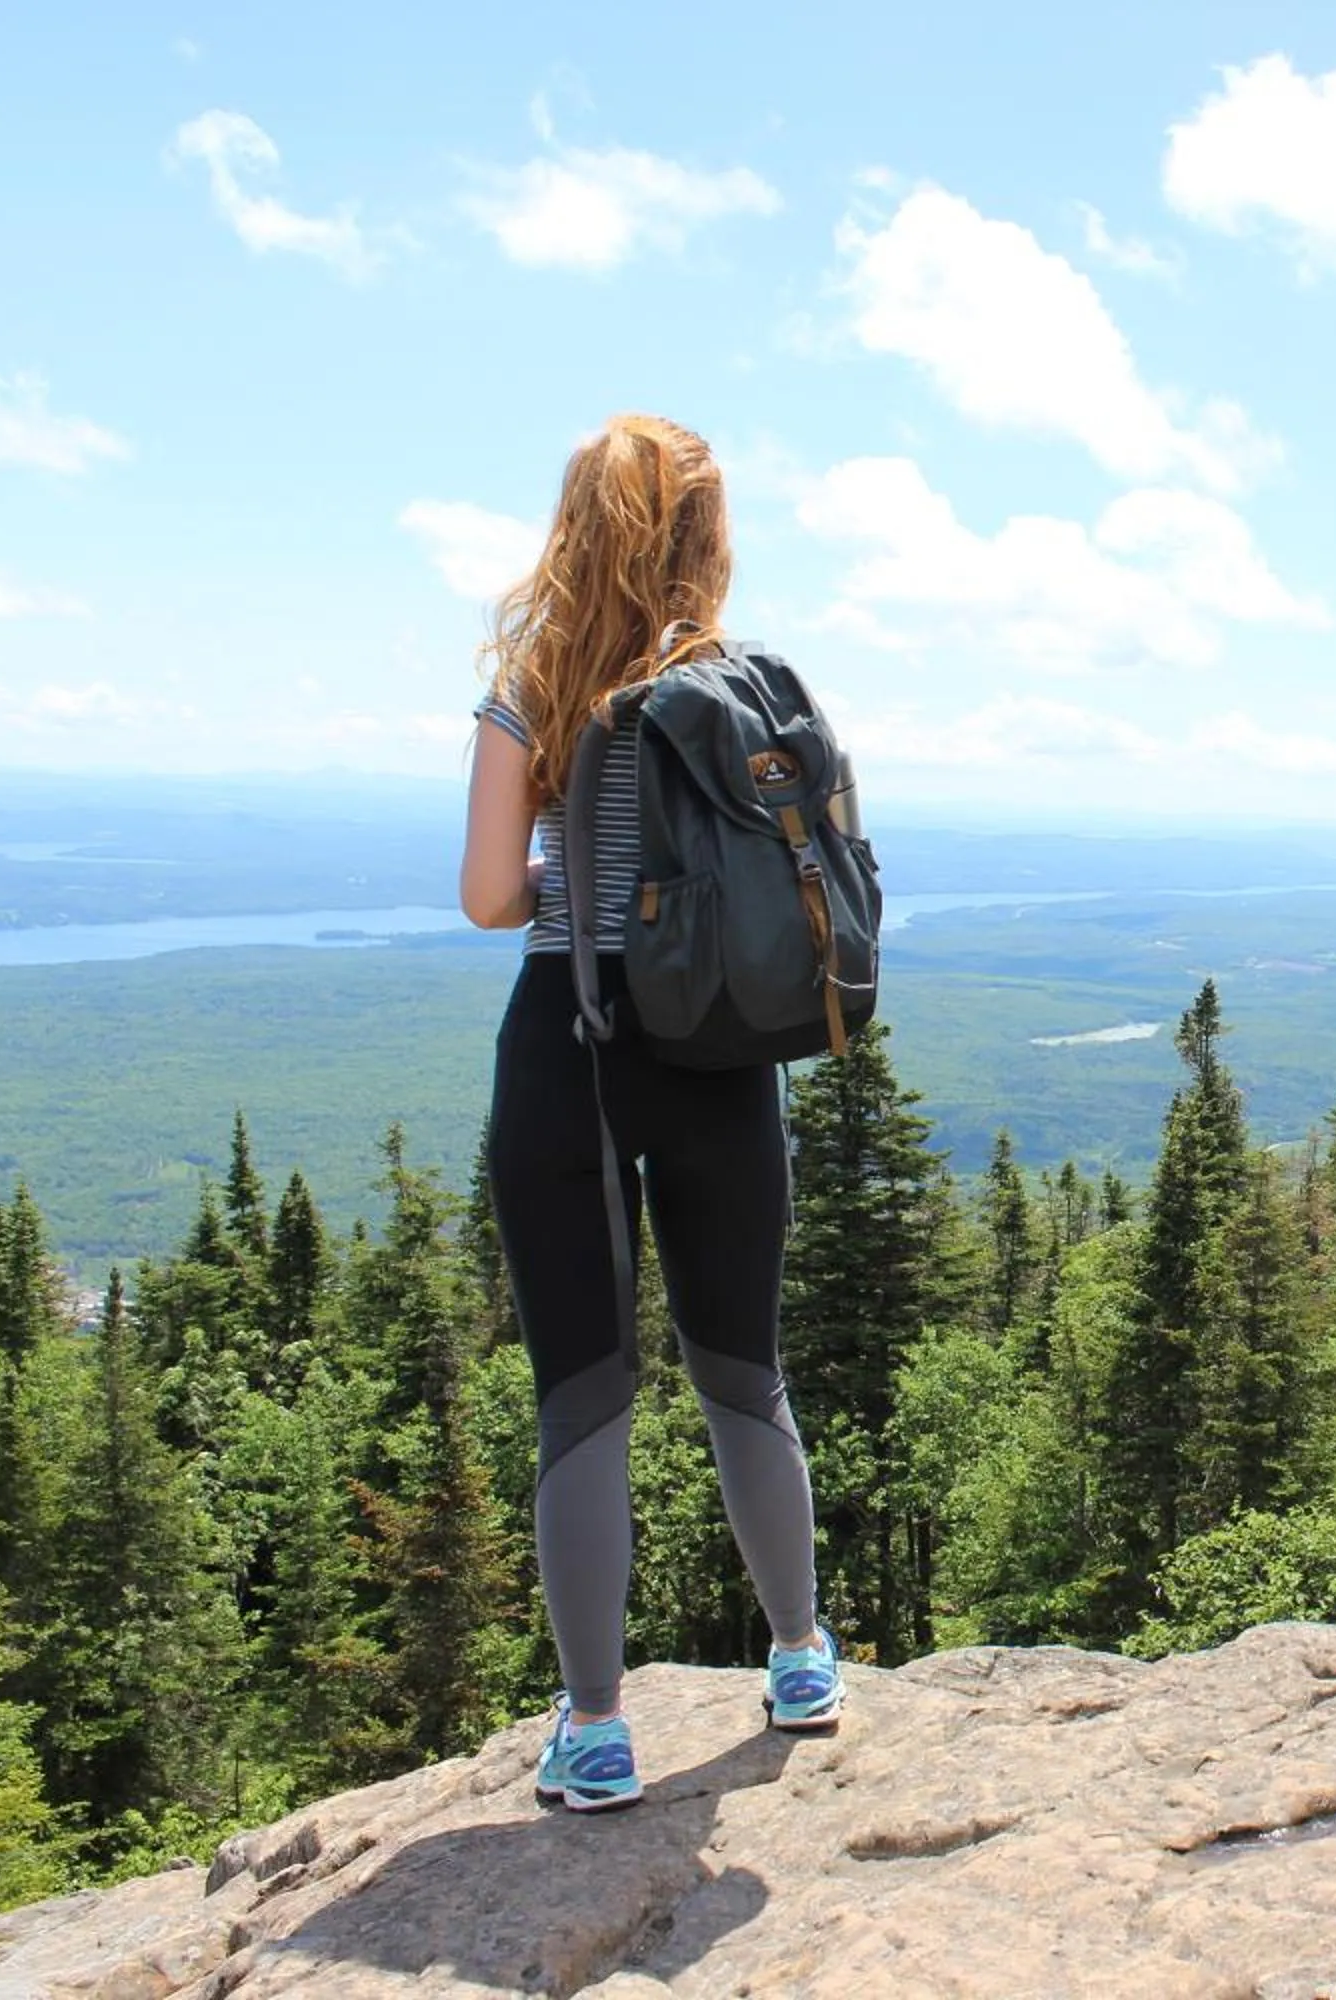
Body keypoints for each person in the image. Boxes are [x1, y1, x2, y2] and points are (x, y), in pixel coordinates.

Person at [458, 413, 841, 1814]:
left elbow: (489, 897)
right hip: (721, 1049)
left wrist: (574, 867)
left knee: (583, 1395)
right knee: (744, 1368)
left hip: (570, 1047)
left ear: (577, 525)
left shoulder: (534, 686)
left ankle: (598, 1729)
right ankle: (798, 1660)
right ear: (707, 536)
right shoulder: (748, 690)